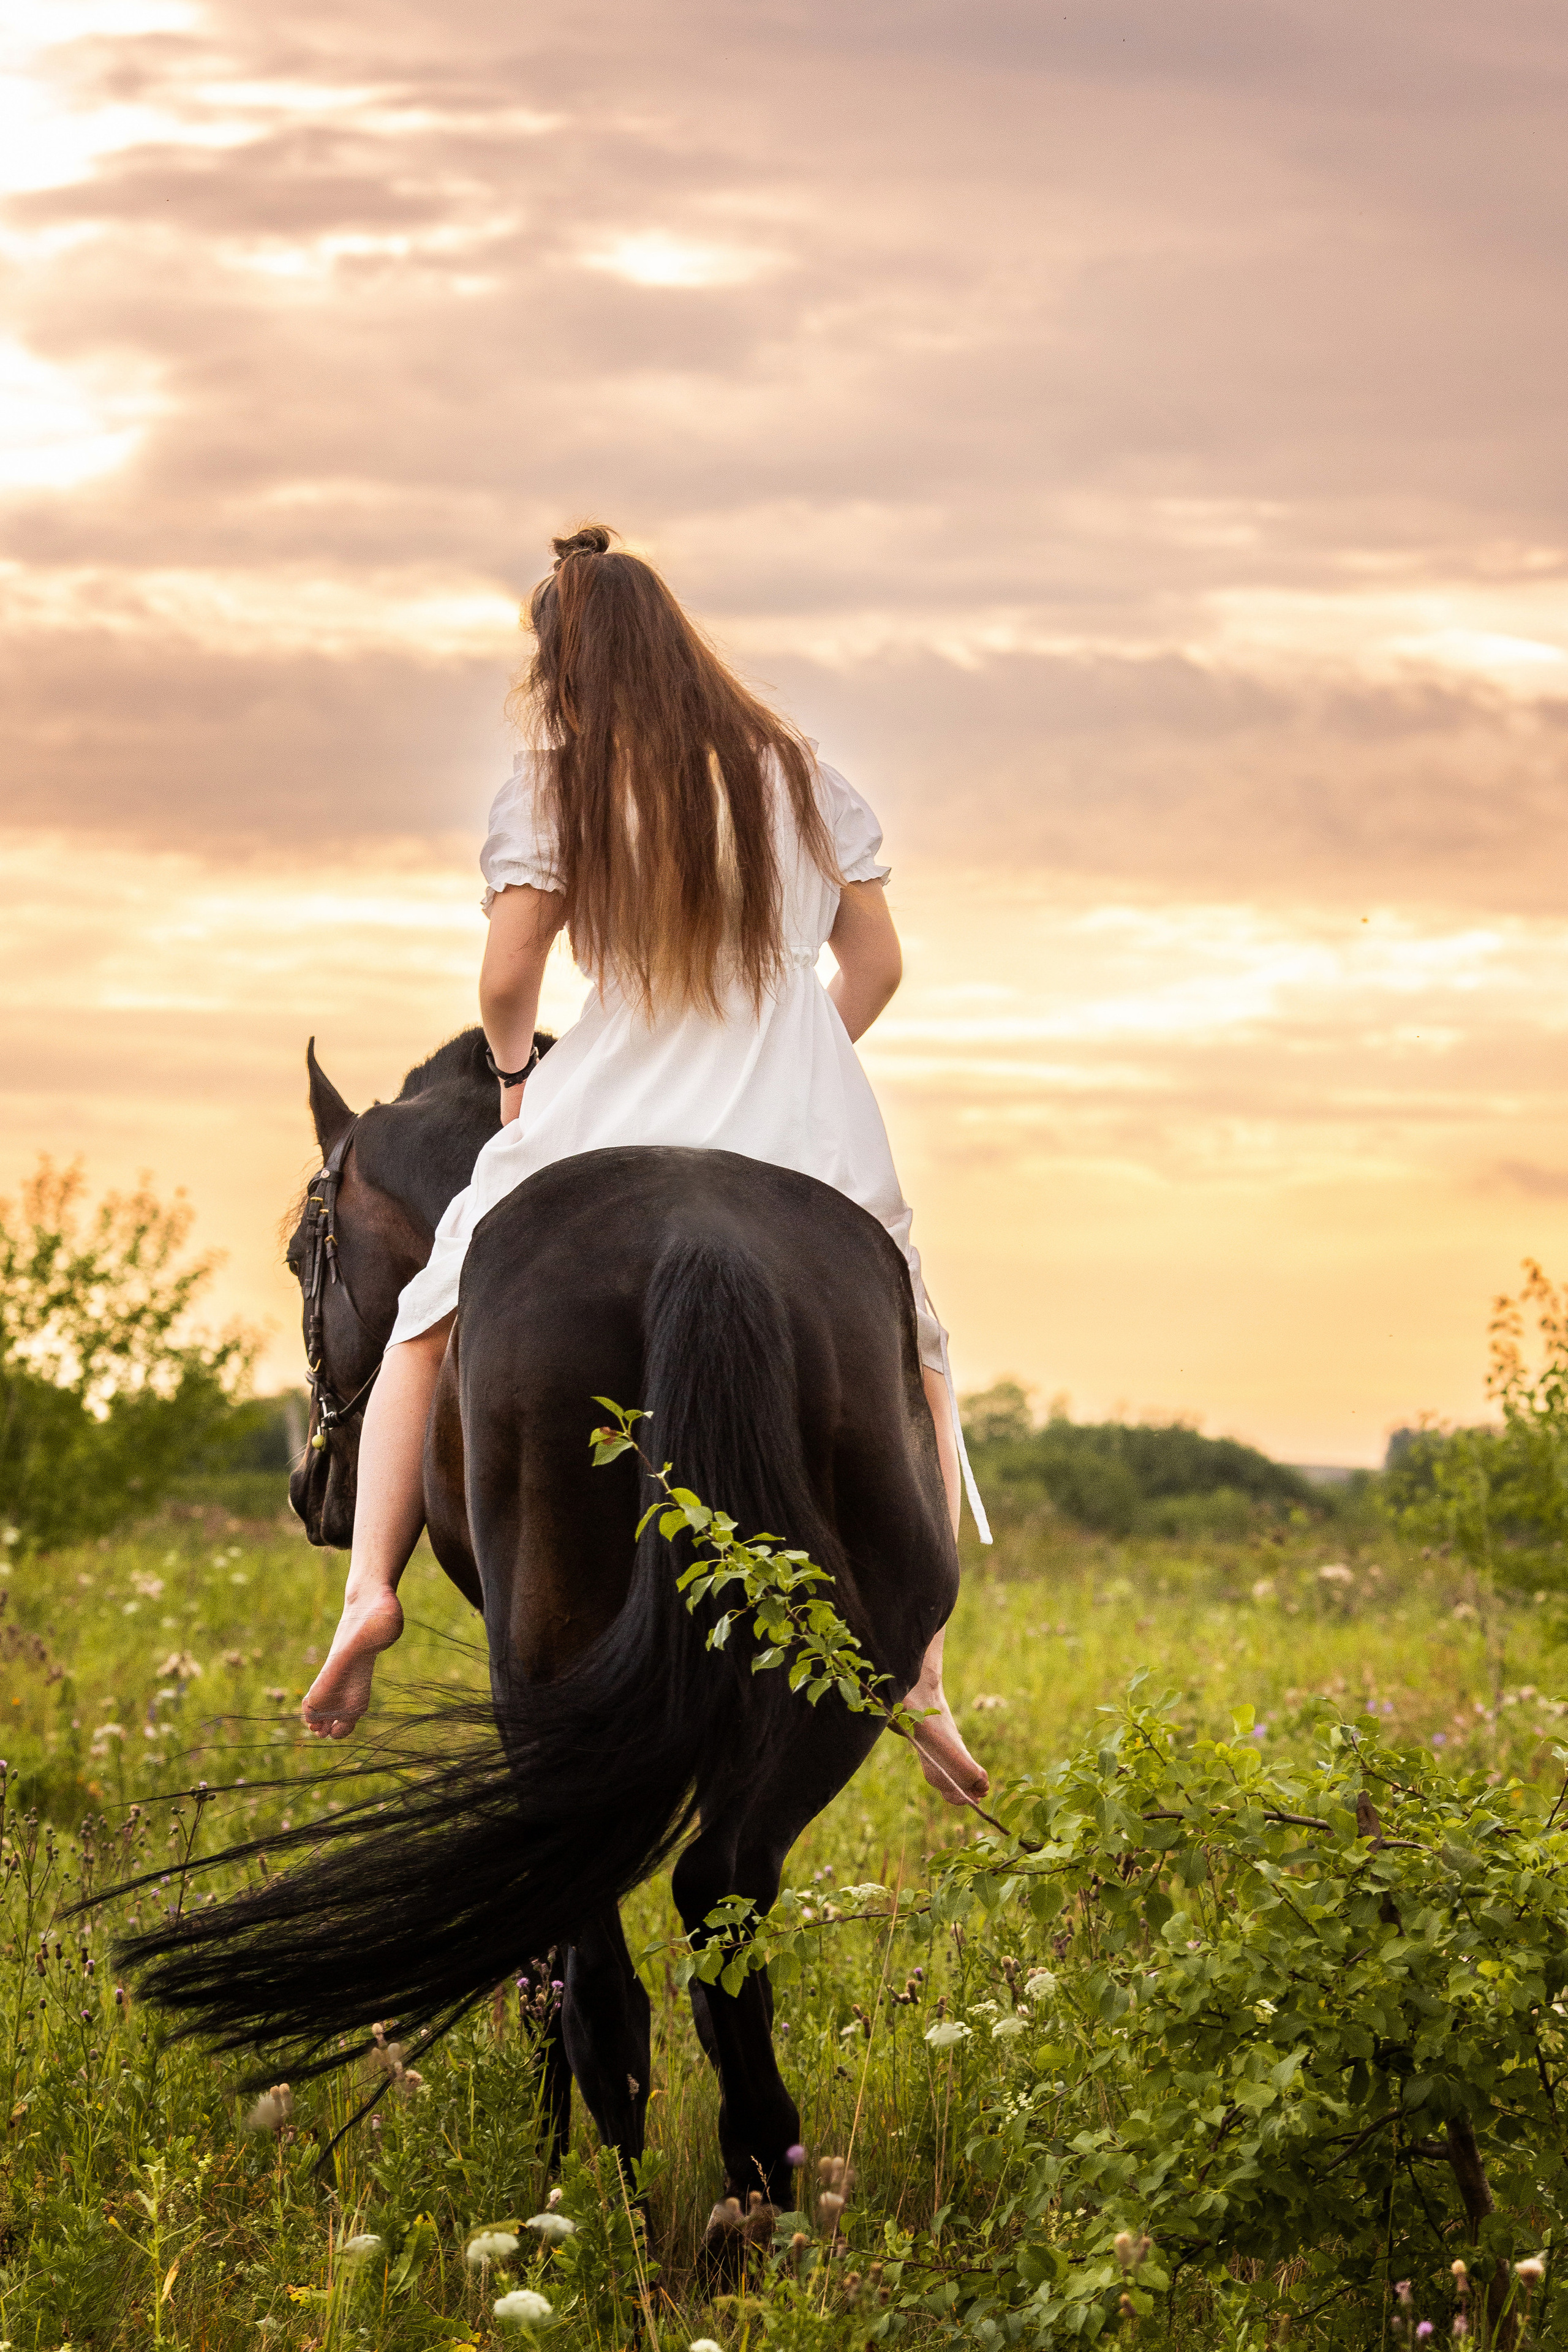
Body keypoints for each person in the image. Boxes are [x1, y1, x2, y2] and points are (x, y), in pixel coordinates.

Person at [301, 524, 991, 1804]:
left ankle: (368, 1596)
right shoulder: (801, 774)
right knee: (916, 1349)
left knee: (428, 1317)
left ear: (562, 668)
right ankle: (925, 1673)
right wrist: (803, 1058)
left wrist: (516, 1080)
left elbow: (507, 977)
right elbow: (878, 964)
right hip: (798, 1103)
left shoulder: (558, 783)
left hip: (614, 1086)